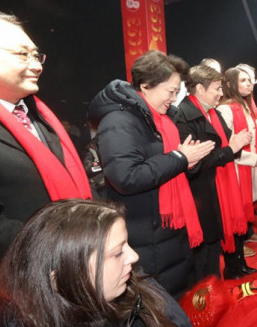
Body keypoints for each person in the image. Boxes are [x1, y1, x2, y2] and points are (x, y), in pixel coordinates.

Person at [0, 199, 215, 327]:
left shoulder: (144, 292)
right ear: (61, 276)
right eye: (117, 253)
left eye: (127, 244)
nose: (134, 257)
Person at [0, 6, 91, 309]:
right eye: (21, 55)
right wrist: (73, 243)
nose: (36, 65)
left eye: (36, 55)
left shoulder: (39, 115)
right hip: (16, 296)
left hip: (72, 278)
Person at [87, 51, 215, 298]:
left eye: (177, 92)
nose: (174, 99)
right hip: (145, 231)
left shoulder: (161, 119)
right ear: (145, 86)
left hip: (168, 228)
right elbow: (125, 177)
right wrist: (180, 158)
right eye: (171, 91)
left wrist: (189, 161)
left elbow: (169, 165)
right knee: (158, 302)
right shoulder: (119, 121)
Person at [174, 64, 254, 281]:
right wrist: (231, 149)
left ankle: (216, 288)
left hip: (217, 188)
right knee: (204, 256)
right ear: (200, 88)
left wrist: (236, 146)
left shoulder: (212, 112)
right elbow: (196, 163)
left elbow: (225, 145)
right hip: (201, 194)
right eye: (217, 89)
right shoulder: (184, 117)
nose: (221, 93)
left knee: (213, 251)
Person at [217, 64, 257, 256]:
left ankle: (243, 238)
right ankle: (236, 247)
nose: (249, 84)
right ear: (230, 84)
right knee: (235, 208)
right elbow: (228, 145)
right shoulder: (225, 109)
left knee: (245, 205)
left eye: (250, 80)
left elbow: (254, 134)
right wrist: (254, 158)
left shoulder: (243, 105)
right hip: (236, 168)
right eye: (243, 80)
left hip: (248, 164)